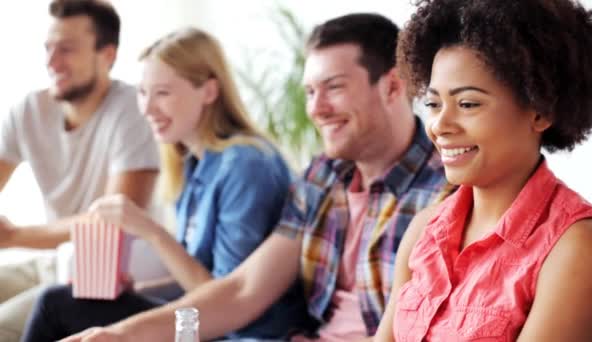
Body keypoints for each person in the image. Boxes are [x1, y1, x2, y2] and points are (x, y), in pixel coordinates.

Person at [48, 13, 451, 342]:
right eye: (310, 91)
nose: (317, 108)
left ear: (394, 86)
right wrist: (119, 335)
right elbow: (243, 290)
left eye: (333, 88)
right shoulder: (321, 179)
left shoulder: (445, 189)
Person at [22, 27, 312, 341]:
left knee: (55, 305)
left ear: (209, 92)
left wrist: (150, 230)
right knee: (63, 299)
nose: (146, 109)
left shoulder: (246, 166)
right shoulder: (192, 162)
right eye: (143, 93)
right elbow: (200, 280)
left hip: (242, 333)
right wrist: (144, 290)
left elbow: (225, 302)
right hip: (205, 320)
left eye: (162, 93)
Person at [373, 0, 592, 341]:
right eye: (434, 104)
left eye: (468, 104)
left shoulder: (581, 247)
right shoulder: (425, 230)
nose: (440, 125)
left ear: (540, 111)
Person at [0, 0, 158, 340]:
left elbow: (115, 219)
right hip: (49, 262)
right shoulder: (28, 110)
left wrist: (14, 237)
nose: (51, 62)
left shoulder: (133, 112)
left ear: (108, 55)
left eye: (67, 50)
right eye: (48, 49)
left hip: (104, 279)